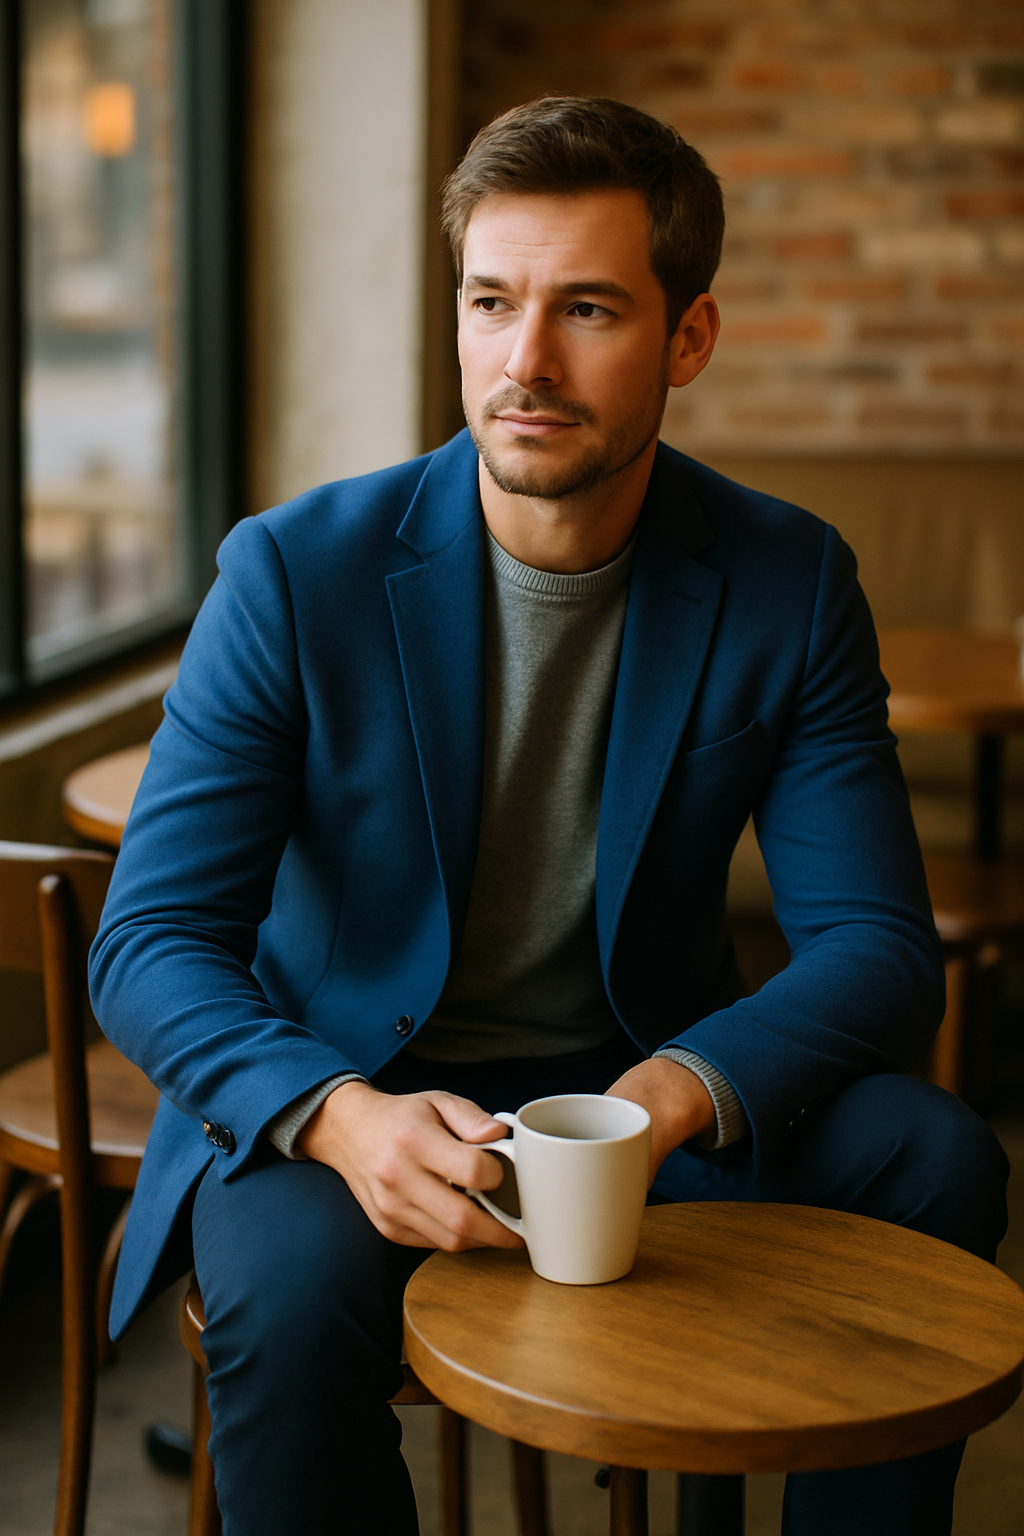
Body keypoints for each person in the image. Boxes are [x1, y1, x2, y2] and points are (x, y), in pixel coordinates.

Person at [91, 96, 1008, 1535]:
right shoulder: (291, 574)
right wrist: (334, 1117)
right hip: (366, 1099)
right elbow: (148, 939)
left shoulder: (789, 578)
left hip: (643, 1093)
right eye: (491, 301)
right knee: (279, 1297)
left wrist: (669, 1097)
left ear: (687, 338)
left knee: (939, 1156)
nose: (526, 361)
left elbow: (881, 950)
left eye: (587, 308)